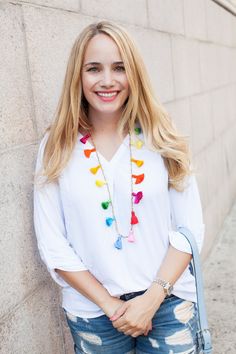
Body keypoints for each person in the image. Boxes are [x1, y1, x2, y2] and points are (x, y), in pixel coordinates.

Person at [33, 20, 205, 354]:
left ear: (134, 74)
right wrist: (111, 306)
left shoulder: (162, 137)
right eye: (94, 69)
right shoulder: (56, 146)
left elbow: (189, 229)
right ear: (78, 76)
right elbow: (53, 243)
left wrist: (151, 300)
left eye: (119, 68)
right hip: (92, 312)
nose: (107, 81)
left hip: (168, 303)